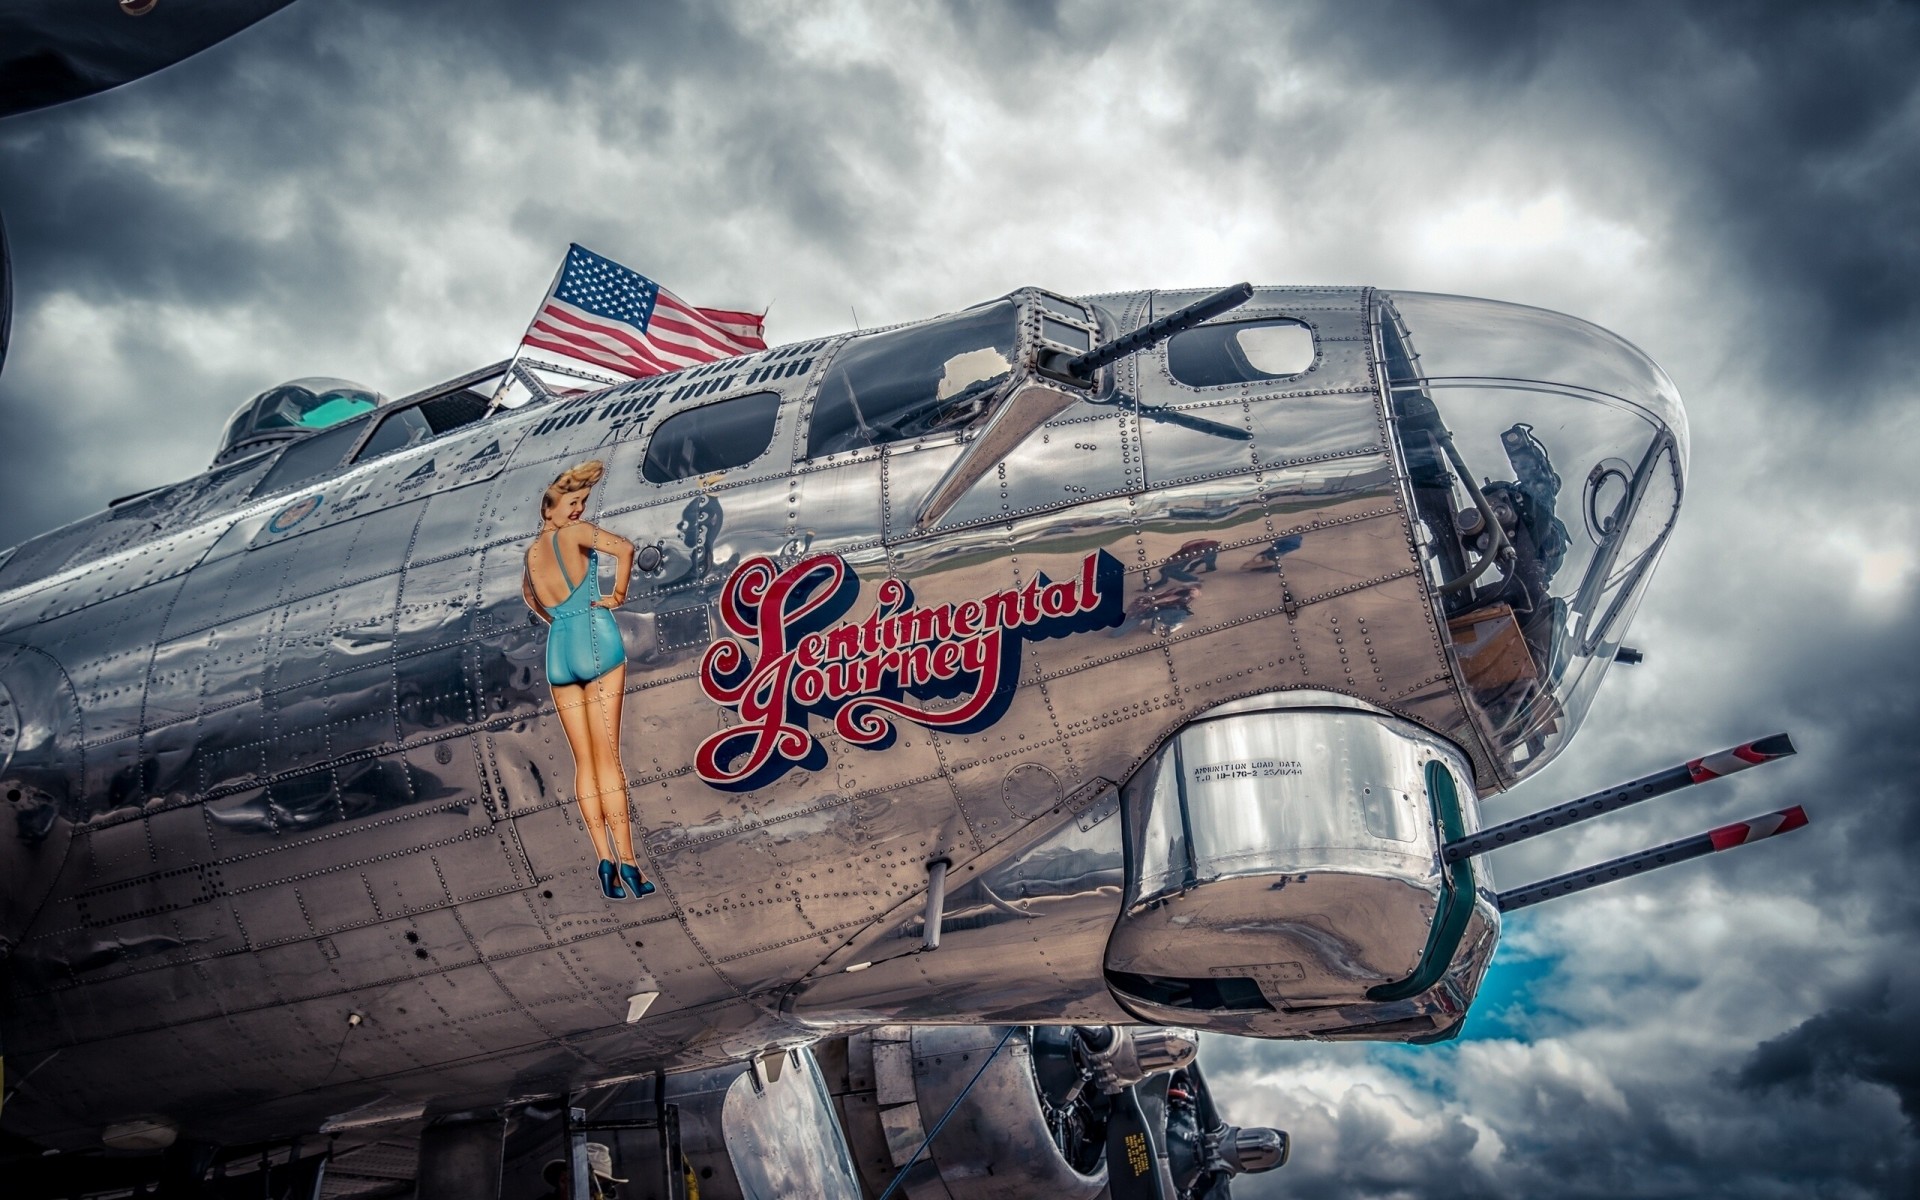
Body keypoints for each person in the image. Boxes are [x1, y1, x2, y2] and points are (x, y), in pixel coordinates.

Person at [521, 460, 652, 901]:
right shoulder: (574, 535)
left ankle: (604, 860)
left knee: (585, 765)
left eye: (582, 503)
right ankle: (629, 863)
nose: (578, 510)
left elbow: (531, 597)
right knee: (608, 760)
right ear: (549, 507)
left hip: (558, 649)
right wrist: (617, 596)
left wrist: (560, 621)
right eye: (572, 503)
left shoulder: (532, 554)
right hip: (595, 640)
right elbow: (625, 549)